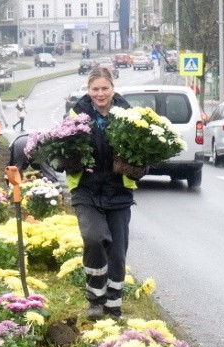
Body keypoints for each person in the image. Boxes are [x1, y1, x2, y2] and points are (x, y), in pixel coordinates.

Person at [68, 67, 141, 321]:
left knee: (118, 253)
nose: (100, 94)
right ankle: (95, 298)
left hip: (118, 192)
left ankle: (114, 305)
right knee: (94, 238)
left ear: (113, 88)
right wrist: (71, 160)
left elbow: (143, 156)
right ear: (88, 90)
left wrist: (138, 166)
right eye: (95, 89)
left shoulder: (129, 115)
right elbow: (62, 152)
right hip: (86, 191)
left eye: (104, 88)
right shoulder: (77, 114)